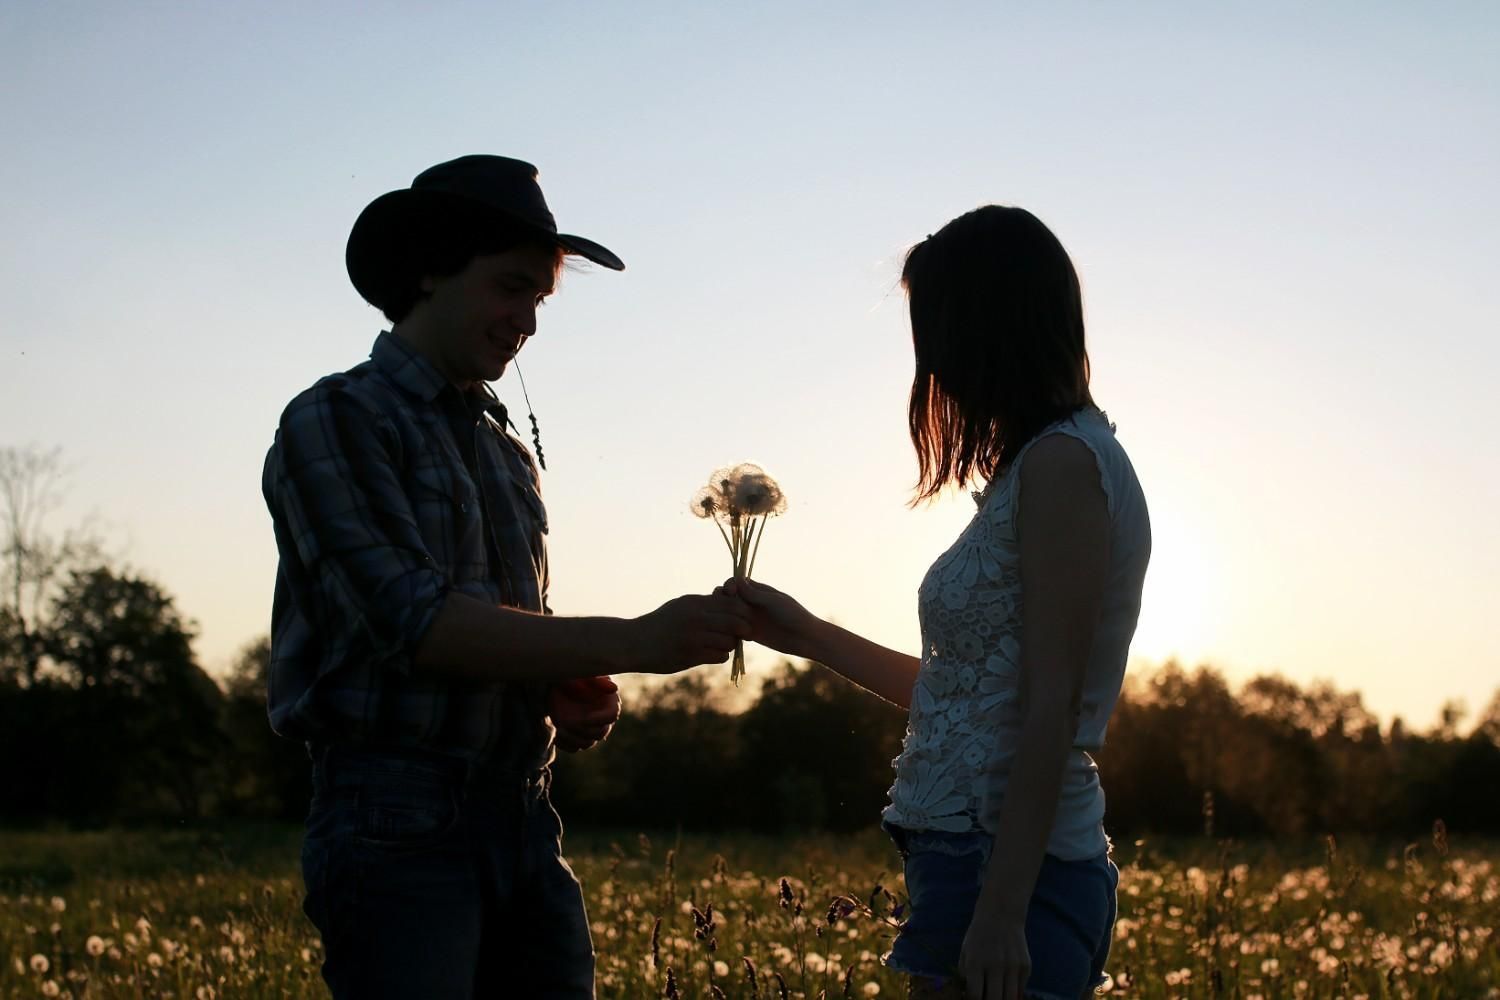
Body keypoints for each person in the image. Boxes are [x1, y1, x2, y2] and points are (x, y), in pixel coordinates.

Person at [262, 154, 752, 999]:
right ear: (427, 272)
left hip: (526, 816)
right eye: (509, 288)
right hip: (395, 820)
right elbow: (416, 622)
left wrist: (568, 680)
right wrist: (638, 640)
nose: (527, 321)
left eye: (538, 299)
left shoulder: (503, 450)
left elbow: (511, 623)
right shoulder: (338, 418)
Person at [729, 206, 1150, 1000]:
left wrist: (1000, 911)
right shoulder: (1039, 467)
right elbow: (969, 704)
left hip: (1008, 870)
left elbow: (1051, 708)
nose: (935, 365)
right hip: (973, 862)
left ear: (993, 325)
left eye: (941, 330)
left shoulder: (1065, 466)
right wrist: (808, 634)